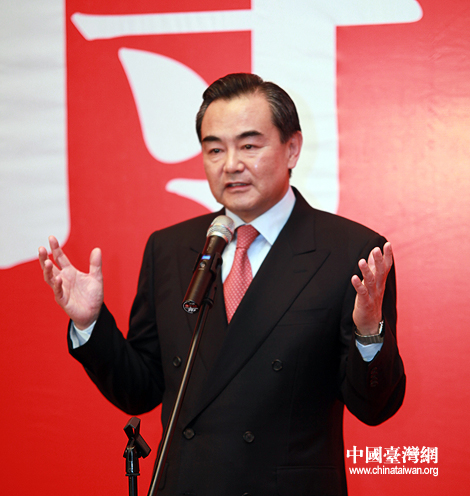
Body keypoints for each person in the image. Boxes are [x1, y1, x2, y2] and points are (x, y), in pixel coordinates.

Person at [39, 73, 405, 496]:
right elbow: (141, 390)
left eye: (249, 146)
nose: (230, 164)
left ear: (292, 148)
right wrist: (90, 324)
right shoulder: (170, 248)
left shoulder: (350, 252)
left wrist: (368, 332)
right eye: (215, 149)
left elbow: (374, 407)